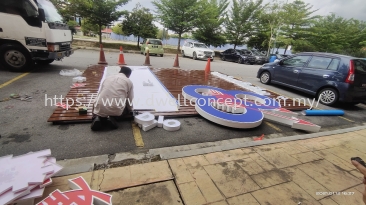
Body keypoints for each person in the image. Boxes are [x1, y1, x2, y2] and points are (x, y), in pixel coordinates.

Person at [91, 66, 134, 131]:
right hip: (116, 108)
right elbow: (129, 99)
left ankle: (98, 118)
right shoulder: (128, 81)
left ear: (119, 72)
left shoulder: (107, 78)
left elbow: (99, 93)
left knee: (100, 105)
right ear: (128, 74)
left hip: (100, 106)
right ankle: (113, 118)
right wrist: (130, 110)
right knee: (124, 107)